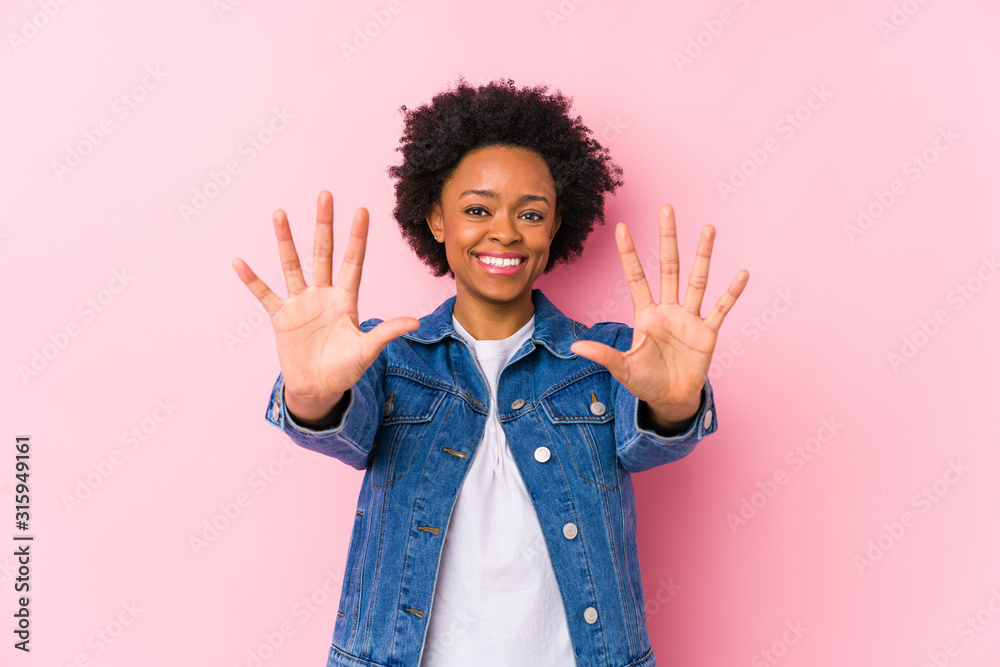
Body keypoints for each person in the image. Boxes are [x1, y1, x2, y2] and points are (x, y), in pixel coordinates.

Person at [232, 78, 748, 667]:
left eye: (531, 213)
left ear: (555, 230)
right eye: (478, 209)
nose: (504, 231)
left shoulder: (607, 359)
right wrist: (310, 393)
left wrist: (675, 404)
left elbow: (647, 442)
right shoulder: (386, 357)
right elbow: (337, 430)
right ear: (435, 218)